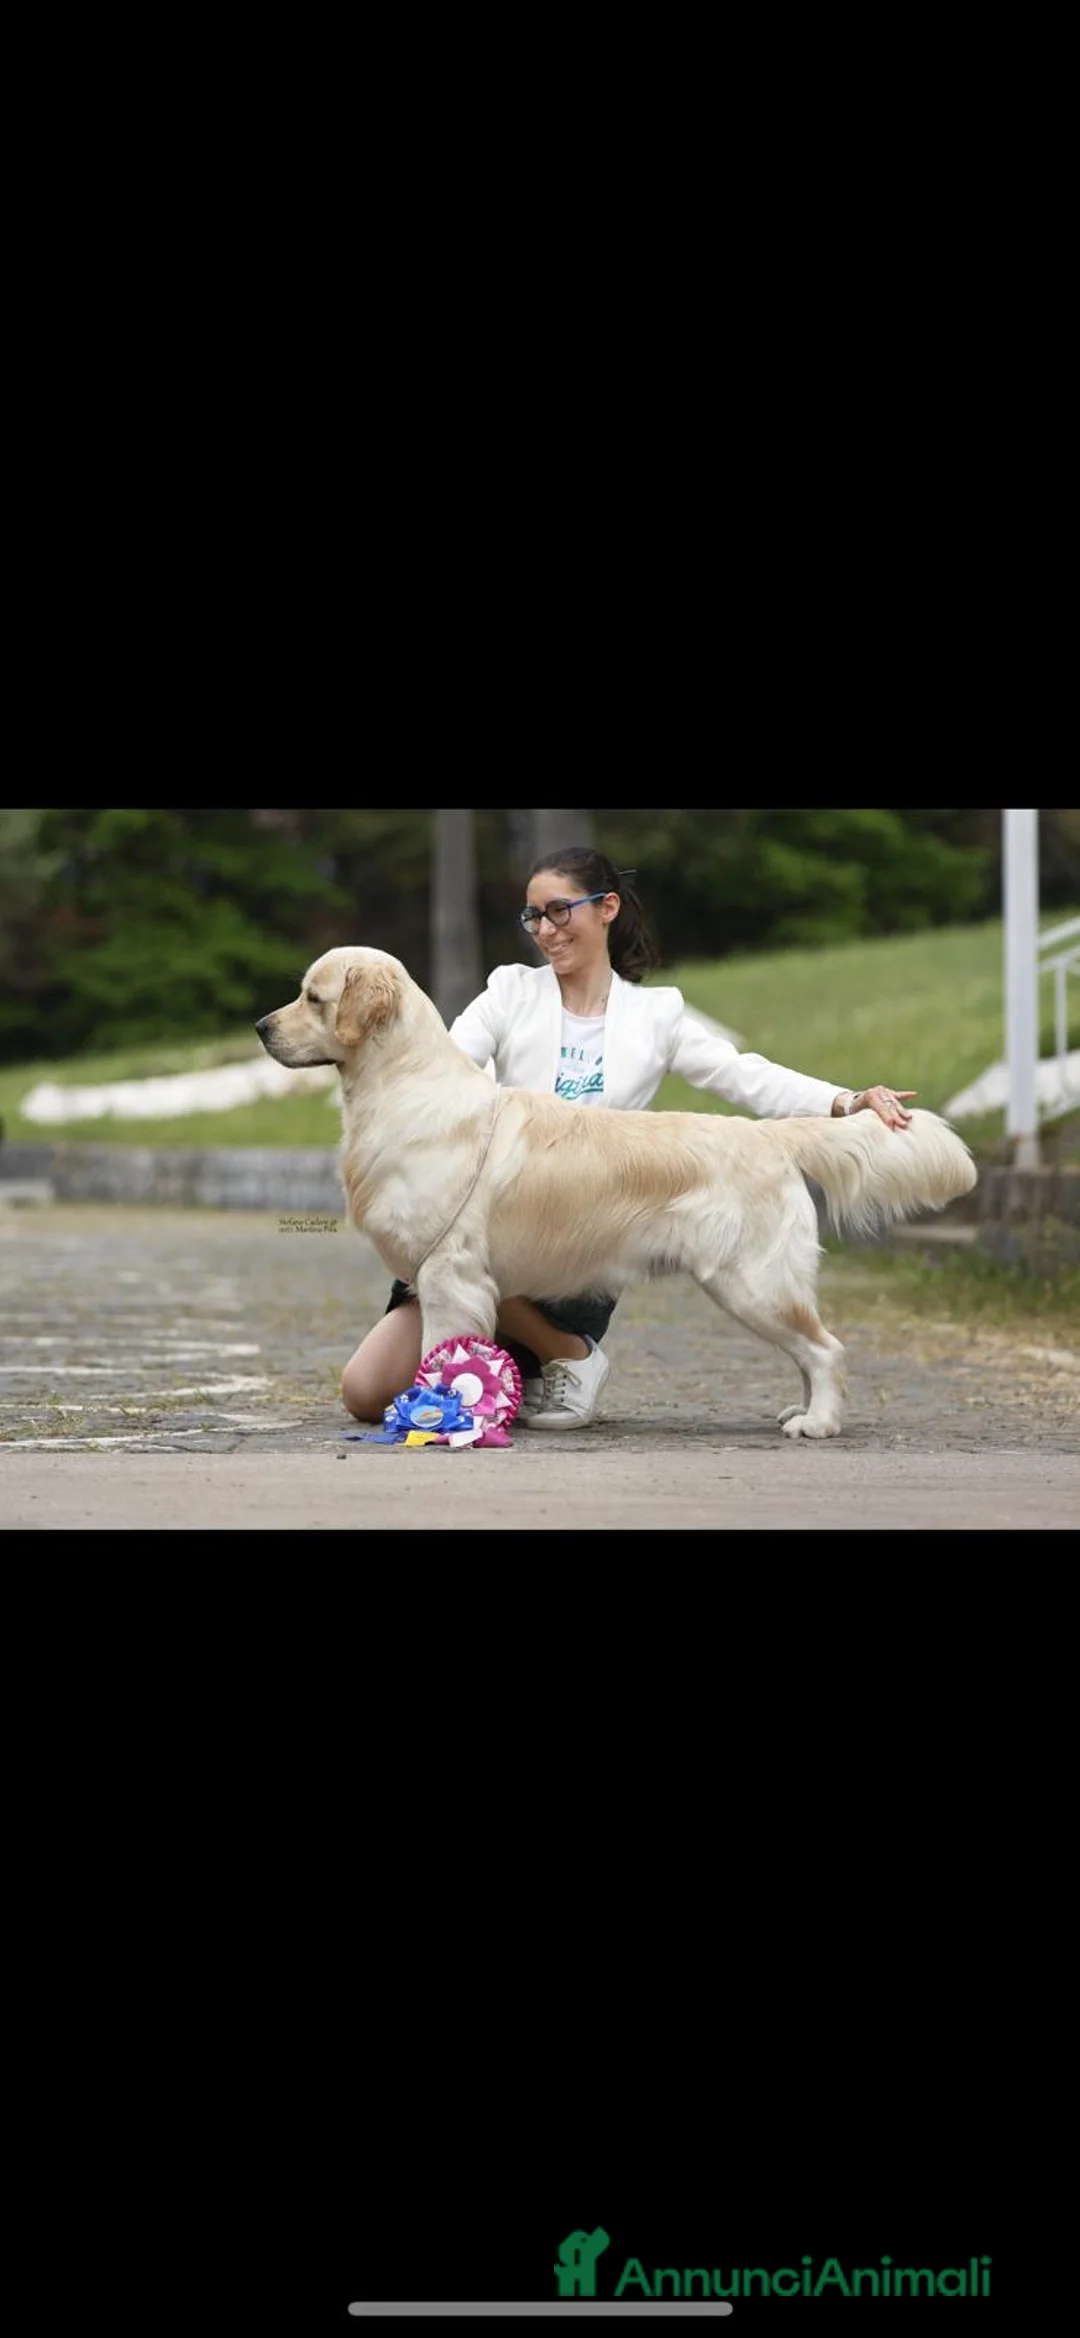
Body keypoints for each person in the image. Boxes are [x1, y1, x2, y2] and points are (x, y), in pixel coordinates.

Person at [340, 845, 916, 1431]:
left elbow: (741, 1074)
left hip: (591, 1230)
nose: (545, 929)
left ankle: (571, 1357)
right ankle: (519, 1372)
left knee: (750, 1292)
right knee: (367, 1392)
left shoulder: (655, 1015)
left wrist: (845, 1101)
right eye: (533, 915)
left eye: (559, 911)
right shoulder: (510, 992)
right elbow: (450, 1070)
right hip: (496, 1223)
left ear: (607, 907)